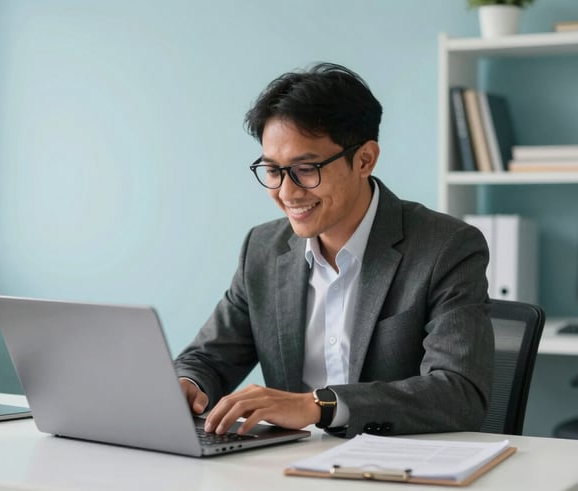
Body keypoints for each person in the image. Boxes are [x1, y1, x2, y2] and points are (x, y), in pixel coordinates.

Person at [174, 62, 493, 439]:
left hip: (395, 461)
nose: (287, 192)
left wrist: (320, 406)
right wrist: (187, 383)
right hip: (285, 462)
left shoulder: (446, 246)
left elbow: (458, 393)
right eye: (273, 171)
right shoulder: (262, 248)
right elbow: (208, 357)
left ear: (364, 159)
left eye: (306, 169)